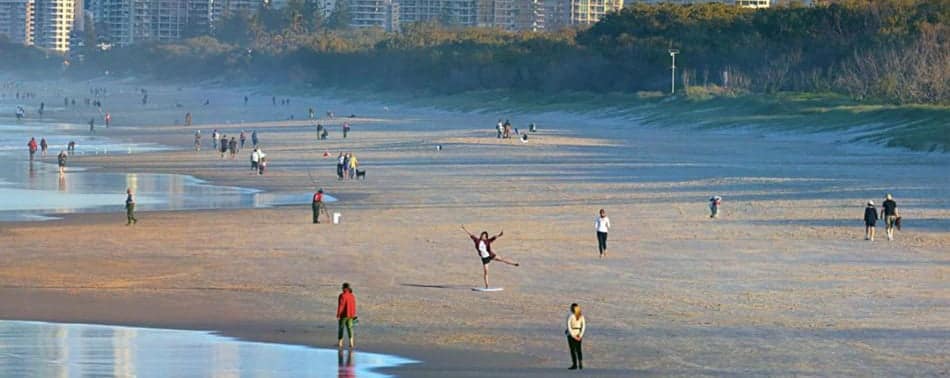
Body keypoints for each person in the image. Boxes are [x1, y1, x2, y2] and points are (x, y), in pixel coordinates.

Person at [337, 282, 357, 350]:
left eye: (342, 287)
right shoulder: (352, 296)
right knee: (350, 328)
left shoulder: (342, 295)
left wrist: (338, 314)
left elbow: (341, 306)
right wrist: (353, 314)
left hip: (343, 315)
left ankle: (340, 343)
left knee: (341, 328)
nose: (342, 288)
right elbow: (354, 306)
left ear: (344, 288)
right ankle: (351, 343)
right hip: (351, 315)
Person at [566, 303, 586, 370]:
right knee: (578, 349)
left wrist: (573, 335)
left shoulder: (570, 316)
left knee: (572, 350)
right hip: (578, 333)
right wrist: (580, 335)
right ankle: (580, 364)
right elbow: (583, 327)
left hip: (571, 334)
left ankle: (575, 364)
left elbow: (569, 326)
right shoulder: (581, 316)